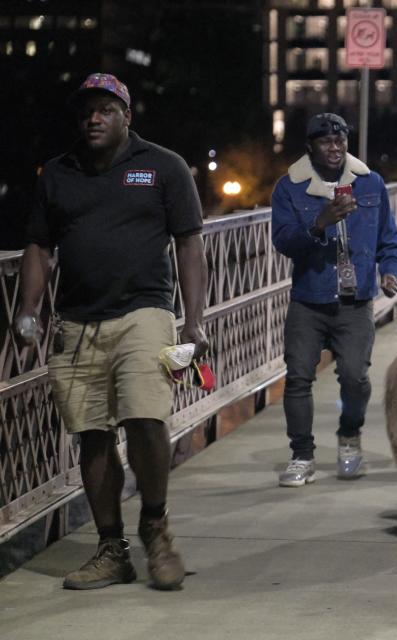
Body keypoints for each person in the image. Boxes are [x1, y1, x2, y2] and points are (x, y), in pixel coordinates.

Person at [14, 73, 208, 590]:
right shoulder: (58, 173)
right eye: (86, 113)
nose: (93, 120)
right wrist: (28, 311)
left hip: (144, 313)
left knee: (146, 418)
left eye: (104, 110)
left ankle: (156, 525)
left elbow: (190, 244)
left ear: (127, 115)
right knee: (91, 436)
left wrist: (194, 320)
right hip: (76, 323)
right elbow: (38, 246)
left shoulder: (163, 167)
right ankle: (111, 550)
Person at [271, 113, 397, 486]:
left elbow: (389, 239)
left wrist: (389, 269)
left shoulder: (371, 183)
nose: (335, 146)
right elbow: (283, 242)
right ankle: (302, 456)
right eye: (326, 141)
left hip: (356, 299)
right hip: (309, 299)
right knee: (297, 378)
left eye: (341, 139)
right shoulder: (289, 188)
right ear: (310, 146)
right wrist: (320, 223)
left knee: (355, 377)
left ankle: (349, 438)